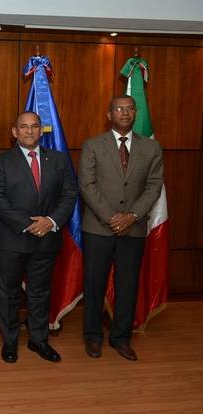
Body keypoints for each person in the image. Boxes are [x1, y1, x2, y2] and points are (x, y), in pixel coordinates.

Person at [0, 111, 76, 364]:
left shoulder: (58, 160)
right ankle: (10, 342)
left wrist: (50, 222)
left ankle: (39, 340)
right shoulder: (2, 161)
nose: (29, 131)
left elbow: (69, 195)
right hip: (12, 240)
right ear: (14, 132)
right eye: (23, 127)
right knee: (9, 293)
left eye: (34, 126)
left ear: (42, 130)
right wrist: (28, 224)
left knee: (40, 292)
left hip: (46, 238)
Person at [79, 95, 163, 361]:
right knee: (94, 284)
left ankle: (121, 337)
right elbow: (87, 185)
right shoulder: (93, 145)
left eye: (129, 109)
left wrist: (133, 215)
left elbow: (153, 186)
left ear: (135, 113)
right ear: (109, 114)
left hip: (134, 228)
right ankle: (93, 336)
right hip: (98, 228)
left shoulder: (151, 148)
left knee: (128, 286)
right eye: (119, 109)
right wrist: (113, 217)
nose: (124, 113)